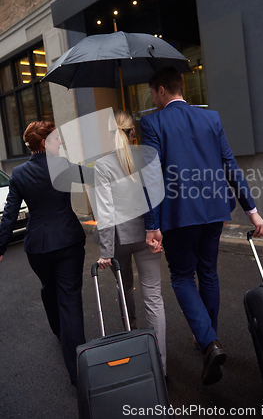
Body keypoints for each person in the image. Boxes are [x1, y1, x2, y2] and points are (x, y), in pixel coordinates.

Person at [140, 66, 263, 386]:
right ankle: (206, 339)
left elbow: (151, 175)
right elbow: (230, 165)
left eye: (152, 94)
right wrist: (252, 211)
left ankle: (209, 341)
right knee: (208, 272)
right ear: (180, 88)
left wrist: (151, 224)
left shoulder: (152, 122)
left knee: (182, 276)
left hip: (178, 215)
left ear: (159, 91)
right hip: (213, 211)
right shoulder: (211, 118)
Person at [0, 121, 93, 386]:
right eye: (55, 139)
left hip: (38, 247)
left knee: (48, 287)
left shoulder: (18, 174)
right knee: (70, 301)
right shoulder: (61, 165)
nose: (60, 143)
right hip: (68, 243)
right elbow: (92, 176)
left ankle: (58, 329)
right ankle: (79, 374)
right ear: (44, 144)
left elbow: (9, 215)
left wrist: (0, 247)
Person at [94, 110, 167, 375]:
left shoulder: (102, 166)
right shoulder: (148, 157)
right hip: (148, 236)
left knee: (125, 290)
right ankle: (161, 366)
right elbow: (159, 197)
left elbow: (105, 212)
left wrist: (105, 252)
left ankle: (133, 338)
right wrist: (158, 231)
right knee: (154, 298)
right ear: (132, 132)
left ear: (111, 134)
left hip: (120, 240)